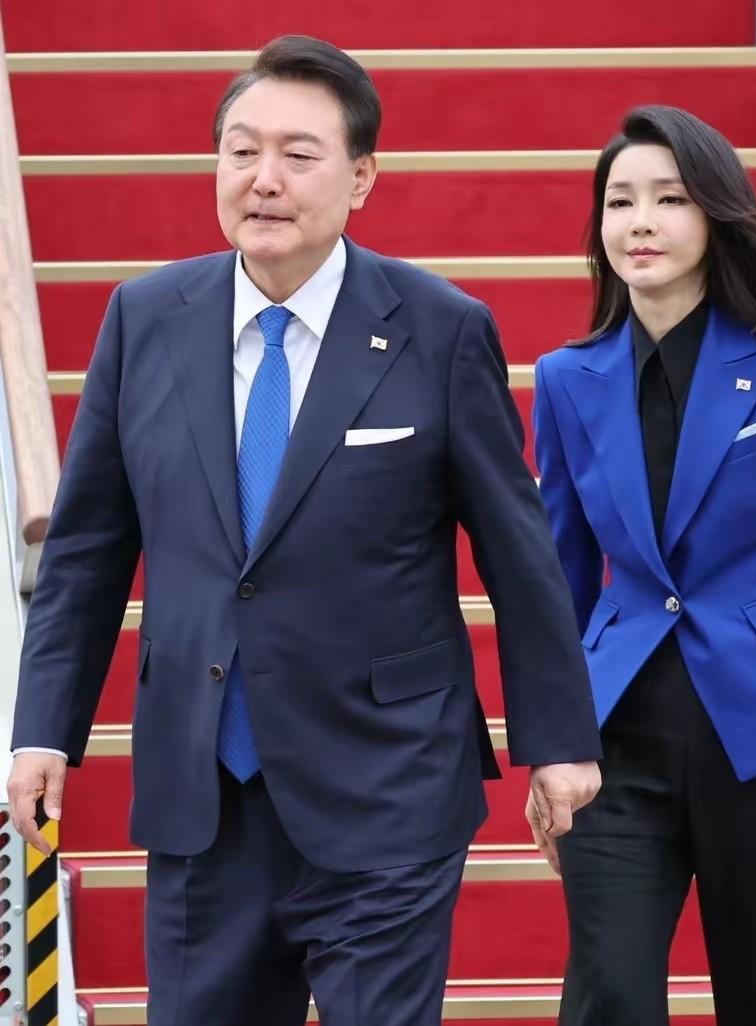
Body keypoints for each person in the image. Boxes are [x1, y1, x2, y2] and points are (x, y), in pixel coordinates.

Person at [7, 35, 602, 1026]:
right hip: (204, 791)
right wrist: (42, 731)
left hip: (388, 783)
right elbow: (84, 554)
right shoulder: (145, 319)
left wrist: (559, 741)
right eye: (241, 151)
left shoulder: (439, 328)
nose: (263, 179)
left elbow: (517, 552)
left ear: (361, 177)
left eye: (297, 154)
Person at [528, 105, 756, 1026]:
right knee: (609, 993)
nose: (639, 223)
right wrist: (552, 739)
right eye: (619, 202)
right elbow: (560, 576)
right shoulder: (566, 378)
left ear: (716, 213)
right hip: (615, 734)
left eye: (669, 199)